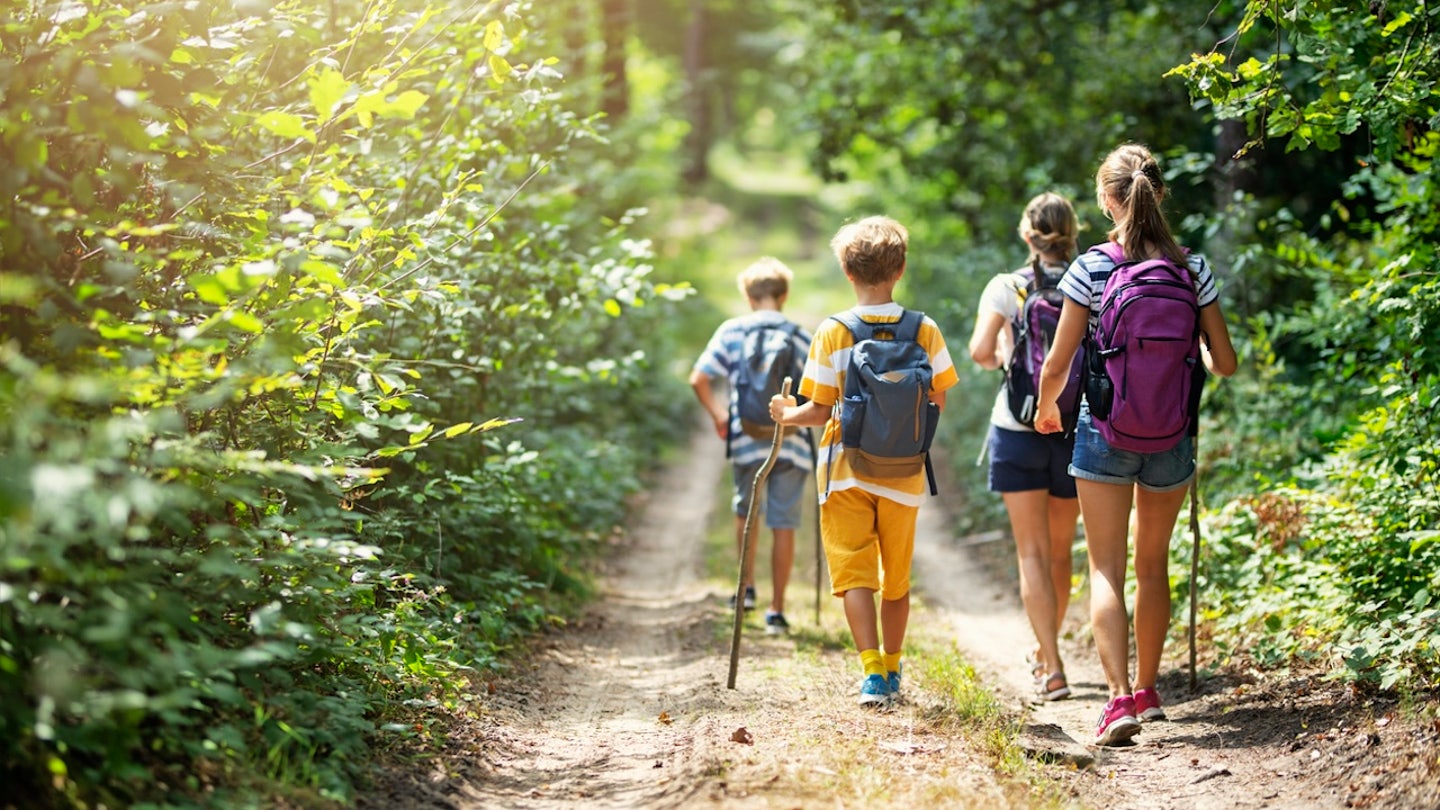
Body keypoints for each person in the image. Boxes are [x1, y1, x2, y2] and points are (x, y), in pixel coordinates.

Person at [1034, 143, 1237, 746]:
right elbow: (1224, 363)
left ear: (1105, 198)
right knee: (1153, 565)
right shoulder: (1192, 268)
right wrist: (1181, 358)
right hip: (1172, 435)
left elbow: (1058, 363)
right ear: (1159, 193)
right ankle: (1150, 693)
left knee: (1105, 567)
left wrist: (1048, 409)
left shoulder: (1093, 266)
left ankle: (1117, 699)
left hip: (1104, 431)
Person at [769, 216, 959, 707]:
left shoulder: (833, 331)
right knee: (896, 580)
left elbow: (816, 409)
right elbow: (939, 398)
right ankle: (896, 668)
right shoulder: (925, 329)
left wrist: (785, 415)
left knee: (855, 573)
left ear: (847, 273)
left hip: (845, 470)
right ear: (900, 269)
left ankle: (872, 672)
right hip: (905, 473)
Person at [966, 192, 1082, 702]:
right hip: (1074, 427)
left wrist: (1008, 367)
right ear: (1072, 232)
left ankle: (1051, 665)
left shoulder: (1007, 286)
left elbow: (979, 352)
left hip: (1016, 428)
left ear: (1026, 235)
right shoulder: (1090, 280)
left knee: (1030, 553)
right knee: (1061, 554)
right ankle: (1046, 651)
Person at [690, 257, 814, 635]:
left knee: (747, 512)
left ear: (747, 295)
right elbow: (820, 390)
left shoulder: (732, 332)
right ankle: (776, 610)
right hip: (790, 442)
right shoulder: (799, 334)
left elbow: (699, 378)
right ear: (784, 295)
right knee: (785, 521)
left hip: (745, 439)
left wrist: (719, 416)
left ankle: (745, 589)